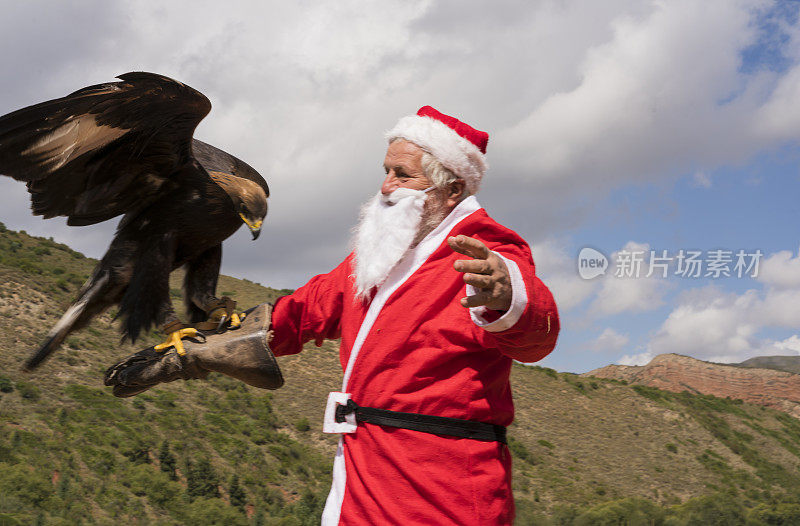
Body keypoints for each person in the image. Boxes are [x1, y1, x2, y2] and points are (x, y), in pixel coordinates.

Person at [268, 106, 560, 525]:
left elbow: (538, 337)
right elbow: (307, 309)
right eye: (386, 172)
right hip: (365, 473)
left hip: (442, 487)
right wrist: (227, 335)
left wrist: (509, 294)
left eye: (403, 175)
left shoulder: (484, 249)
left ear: (453, 190)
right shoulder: (379, 254)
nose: (386, 187)